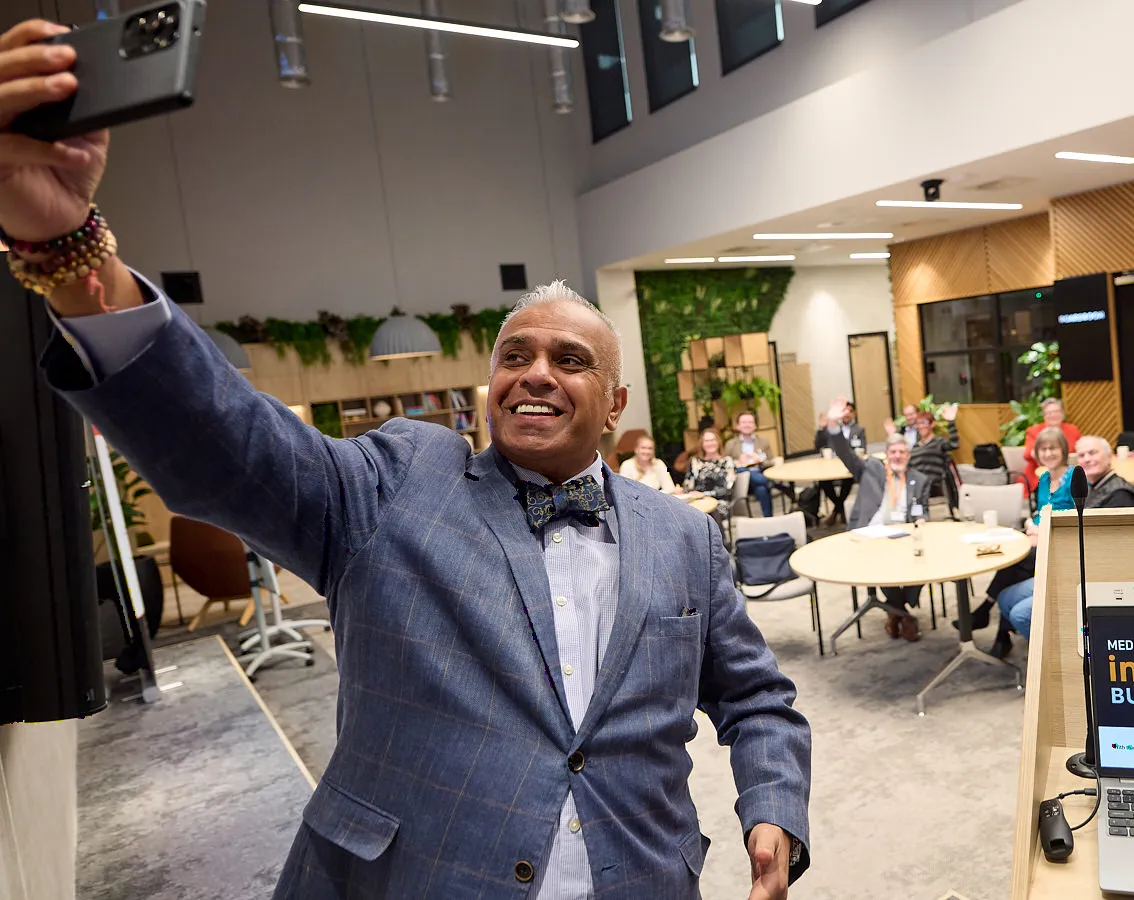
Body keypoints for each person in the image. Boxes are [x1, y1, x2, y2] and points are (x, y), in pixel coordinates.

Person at [0, 25, 810, 896]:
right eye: (514, 355)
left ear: (616, 405)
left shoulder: (681, 538)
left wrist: (773, 810)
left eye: (570, 361)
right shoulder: (394, 484)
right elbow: (227, 443)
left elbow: (757, 698)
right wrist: (75, 254)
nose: (535, 372)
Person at [989, 431, 1134, 658]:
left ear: (1109, 457)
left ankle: (1058, 662)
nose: (1087, 459)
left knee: (1021, 611)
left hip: (1096, 578)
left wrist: (1046, 538)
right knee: (1006, 596)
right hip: (1072, 564)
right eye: (1082, 455)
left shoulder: (1119, 495)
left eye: (1093, 453)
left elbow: (1107, 550)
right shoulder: (1089, 487)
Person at [824, 398, 932, 642]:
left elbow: (922, 510)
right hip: (870, 533)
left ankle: (896, 611)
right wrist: (833, 422)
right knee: (886, 563)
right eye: (893, 452)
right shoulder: (871, 468)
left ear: (909, 454)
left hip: (904, 534)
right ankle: (903, 615)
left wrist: (922, 520)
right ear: (886, 454)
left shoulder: (919, 479)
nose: (897, 456)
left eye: (901, 452)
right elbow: (844, 452)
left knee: (926, 559)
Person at [1022, 399, 1081, 494]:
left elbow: (1080, 449)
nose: (1053, 415)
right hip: (1040, 476)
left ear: (1062, 414)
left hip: (1069, 474)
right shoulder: (1034, 431)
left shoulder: (1072, 430)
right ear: (1044, 416)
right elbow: (1027, 454)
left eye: (1056, 411)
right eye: (1049, 413)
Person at [907, 412, 959, 510]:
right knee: (917, 519)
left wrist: (951, 421)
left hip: (935, 492)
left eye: (924, 422)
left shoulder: (939, 442)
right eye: (918, 423)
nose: (921, 426)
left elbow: (954, 444)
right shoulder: (914, 448)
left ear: (932, 424)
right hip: (917, 494)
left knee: (937, 520)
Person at [731, 411, 775, 516]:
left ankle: (768, 519)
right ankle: (769, 482)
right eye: (744, 422)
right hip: (742, 479)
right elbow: (726, 464)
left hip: (758, 474)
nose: (747, 425)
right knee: (743, 470)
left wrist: (761, 460)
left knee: (761, 489)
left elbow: (771, 461)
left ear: (755, 425)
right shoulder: (731, 444)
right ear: (738, 426)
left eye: (750, 422)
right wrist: (738, 462)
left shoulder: (763, 441)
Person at [687, 429, 738, 520]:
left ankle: (718, 535)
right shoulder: (695, 462)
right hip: (698, 503)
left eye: (713, 440)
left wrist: (703, 494)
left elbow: (727, 489)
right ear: (702, 444)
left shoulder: (727, 462)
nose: (710, 443)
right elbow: (688, 485)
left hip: (719, 504)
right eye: (706, 441)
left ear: (718, 442)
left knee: (709, 515)